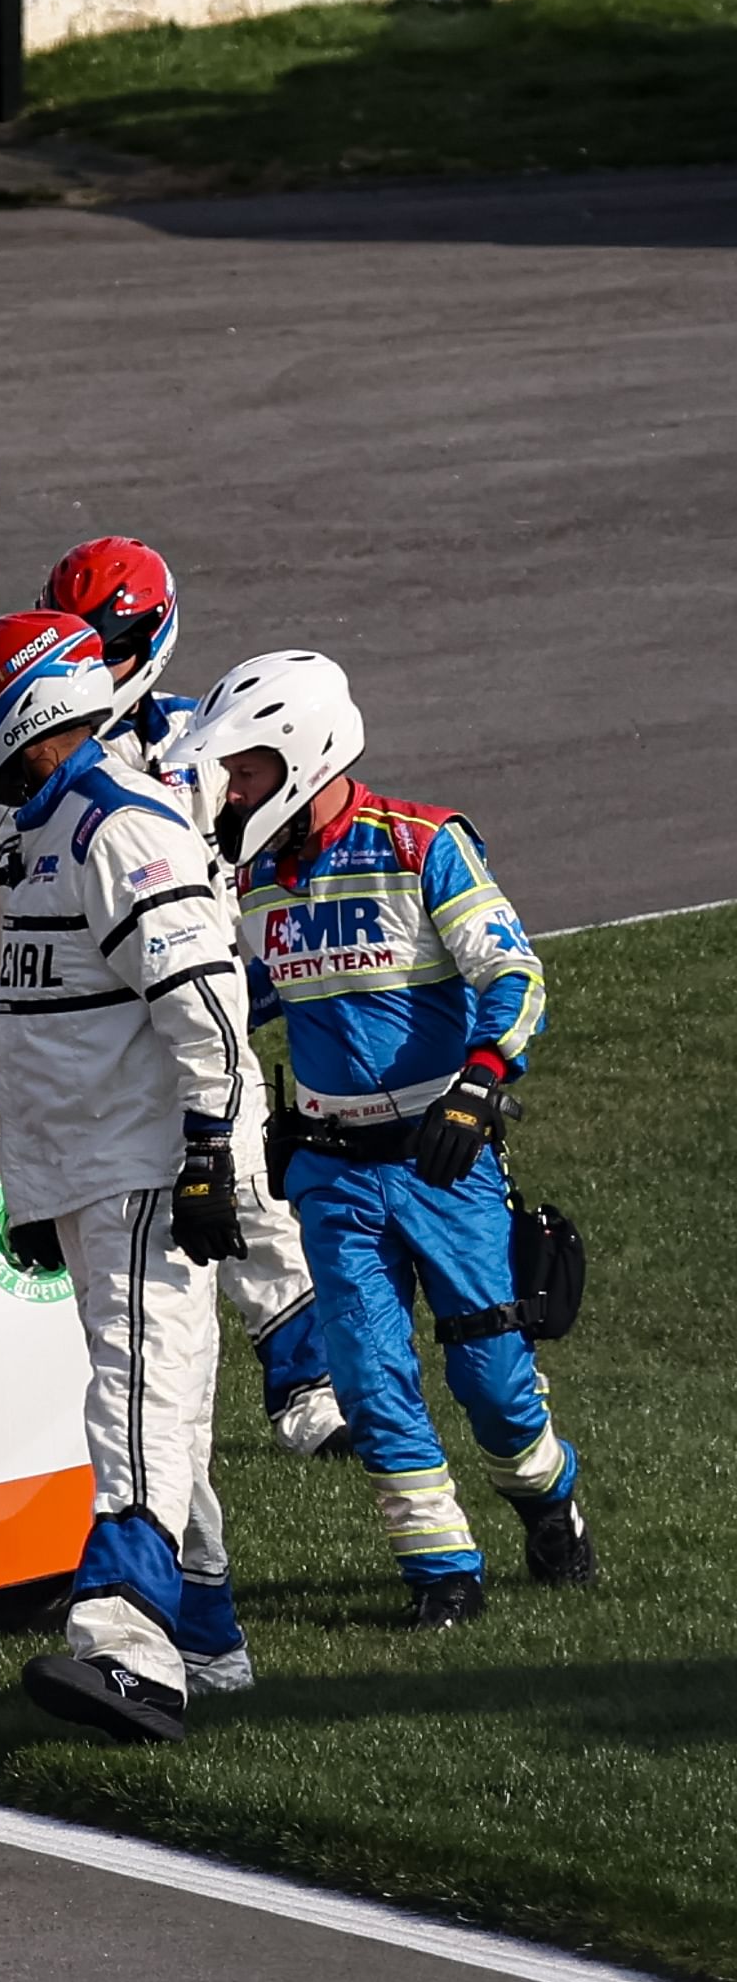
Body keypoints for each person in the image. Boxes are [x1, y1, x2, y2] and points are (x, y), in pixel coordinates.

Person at [169, 652, 593, 1627]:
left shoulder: (424, 843)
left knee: (493, 1378)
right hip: (329, 1172)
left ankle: (546, 1495)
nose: (231, 792)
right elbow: (235, 1002)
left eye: (245, 770)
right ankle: (442, 1574)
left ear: (304, 753)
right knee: (366, 1371)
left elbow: (513, 974)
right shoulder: (252, 883)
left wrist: (480, 1088)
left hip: (444, 1161)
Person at [0, 610, 259, 1742]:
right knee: (163, 1406)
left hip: (144, 1170)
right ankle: (206, 1638)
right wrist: (35, 1194)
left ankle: (127, 1647)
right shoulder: (46, 831)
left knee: (139, 1401)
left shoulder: (117, 825)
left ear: (30, 705)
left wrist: (210, 1154)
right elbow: (45, 1037)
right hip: (88, 1175)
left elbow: (206, 1003)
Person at [38, 543, 351, 1449]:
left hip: (203, 983)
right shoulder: (40, 757)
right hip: (103, 1012)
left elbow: (286, 815)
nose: (94, 663)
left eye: (109, 643)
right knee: (128, 1202)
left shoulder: (200, 737)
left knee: (248, 1183)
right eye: (78, 641)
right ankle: (142, 1398)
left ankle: (310, 1390)